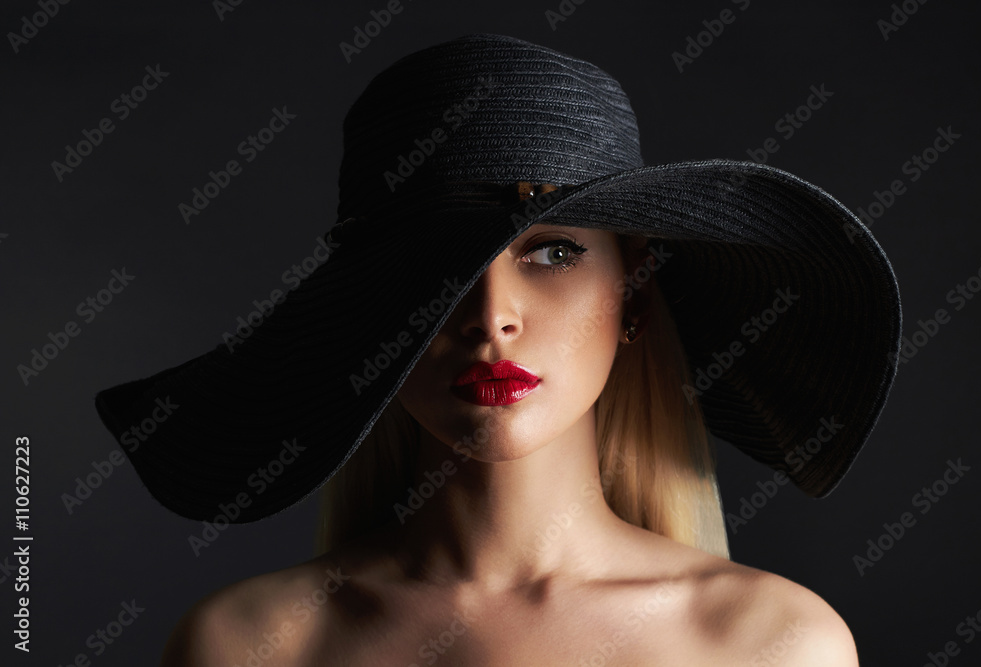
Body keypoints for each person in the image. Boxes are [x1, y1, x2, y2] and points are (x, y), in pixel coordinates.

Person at [94, 33, 901, 665]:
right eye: (432, 263)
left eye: (553, 251)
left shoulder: (776, 646)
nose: (491, 316)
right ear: (370, 313)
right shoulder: (245, 646)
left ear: (635, 292)